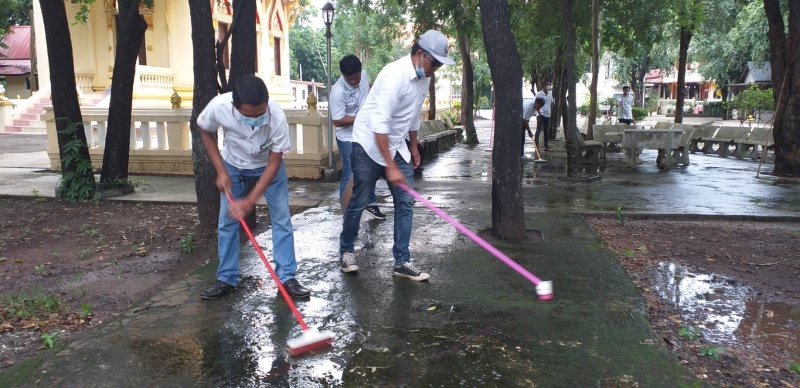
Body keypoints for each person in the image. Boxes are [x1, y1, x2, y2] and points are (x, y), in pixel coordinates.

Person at [338, 30, 453, 281]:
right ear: (421, 55)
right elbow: (379, 126)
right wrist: (390, 167)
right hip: (369, 143)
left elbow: (411, 115)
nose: (437, 69)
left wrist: (413, 146)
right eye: (436, 62)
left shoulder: (424, 77)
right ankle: (346, 250)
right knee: (359, 202)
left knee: (405, 202)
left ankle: (402, 261)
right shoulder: (393, 76)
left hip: (396, 145)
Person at [197, 75, 310, 299]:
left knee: (281, 220)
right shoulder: (219, 106)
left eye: (261, 114)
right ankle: (227, 278)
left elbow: (274, 162)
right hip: (233, 165)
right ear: (235, 108)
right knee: (227, 222)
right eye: (249, 116)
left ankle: (287, 277)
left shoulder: (276, 116)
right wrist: (220, 170)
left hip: (267, 166)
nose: (256, 119)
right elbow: (205, 131)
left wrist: (250, 201)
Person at [330, 54, 385, 220]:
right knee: (350, 175)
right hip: (347, 137)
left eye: (356, 78)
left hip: (365, 133)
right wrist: (362, 118)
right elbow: (338, 121)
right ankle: (346, 213)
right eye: (350, 79)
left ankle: (371, 203)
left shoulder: (365, 76)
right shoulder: (338, 92)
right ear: (343, 76)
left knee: (371, 167)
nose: (354, 82)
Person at [534, 82, 554, 151]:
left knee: (546, 131)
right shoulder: (538, 94)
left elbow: (551, 103)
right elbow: (535, 104)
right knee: (538, 130)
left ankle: (546, 146)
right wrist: (539, 113)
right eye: (547, 85)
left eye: (549, 85)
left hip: (547, 115)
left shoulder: (550, 94)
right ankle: (537, 147)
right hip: (540, 114)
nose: (549, 86)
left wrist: (550, 112)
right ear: (544, 86)